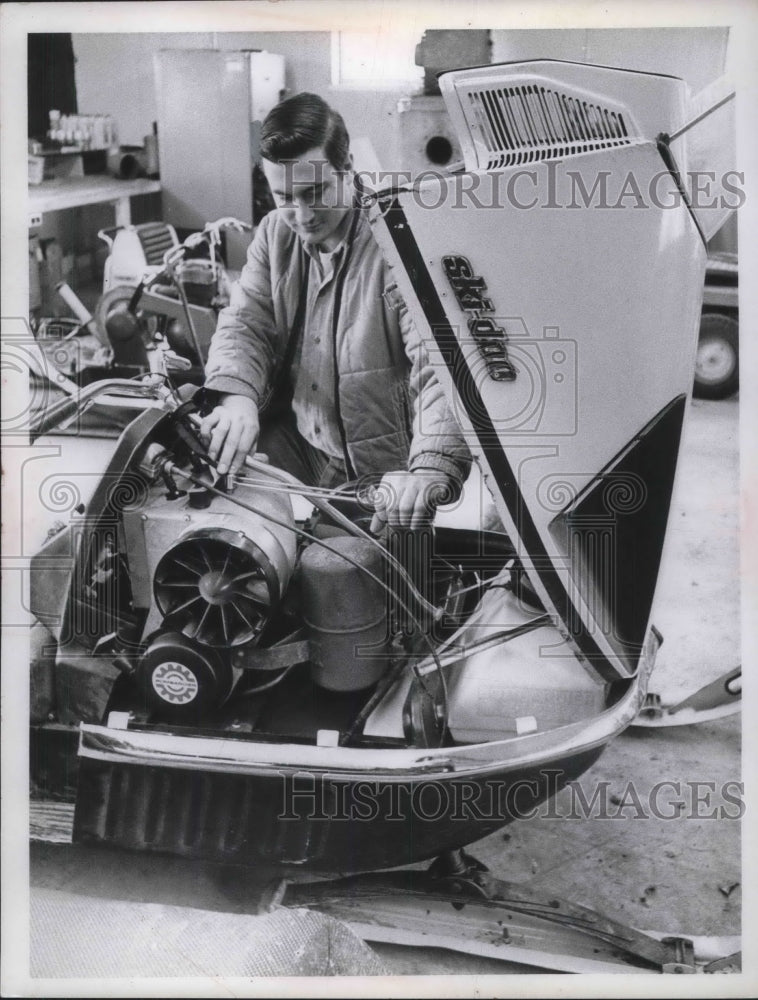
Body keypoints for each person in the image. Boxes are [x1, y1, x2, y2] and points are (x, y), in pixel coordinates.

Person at [201, 92, 470, 531]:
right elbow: (246, 324)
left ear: (347, 170)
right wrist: (236, 399)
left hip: (376, 470)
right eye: (284, 196)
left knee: (352, 581)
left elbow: (438, 365)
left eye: (315, 193)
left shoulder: (397, 243)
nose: (302, 215)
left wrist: (428, 469)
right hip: (297, 442)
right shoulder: (274, 234)